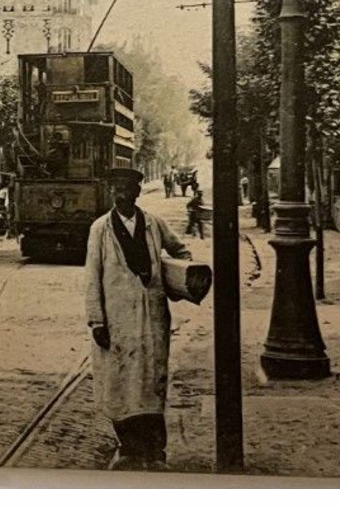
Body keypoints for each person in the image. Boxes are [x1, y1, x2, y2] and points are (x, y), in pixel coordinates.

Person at [84, 167, 191, 471]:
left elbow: (181, 251)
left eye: (127, 189)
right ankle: (128, 448)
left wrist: (178, 276)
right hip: (116, 320)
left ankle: (155, 450)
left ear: (137, 192)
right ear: (110, 193)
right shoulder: (100, 230)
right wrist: (96, 321)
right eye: (116, 189)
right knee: (120, 383)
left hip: (153, 317)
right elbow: (92, 278)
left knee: (151, 381)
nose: (121, 195)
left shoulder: (155, 225)